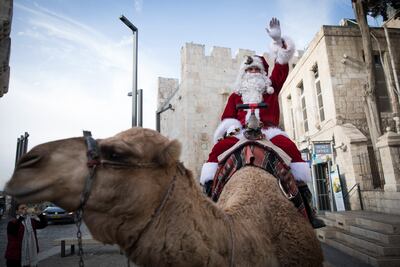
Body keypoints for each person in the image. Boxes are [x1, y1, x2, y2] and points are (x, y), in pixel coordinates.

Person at [200, 18, 325, 228]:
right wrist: (232, 127)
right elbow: (226, 118)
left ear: (263, 73)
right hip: (240, 133)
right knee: (217, 150)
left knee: (290, 149)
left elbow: (281, 67)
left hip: (269, 133)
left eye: (257, 70)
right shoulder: (235, 96)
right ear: (244, 74)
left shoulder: (272, 87)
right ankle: (211, 195)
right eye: (249, 71)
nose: (253, 73)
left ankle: (306, 204)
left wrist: (278, 42)